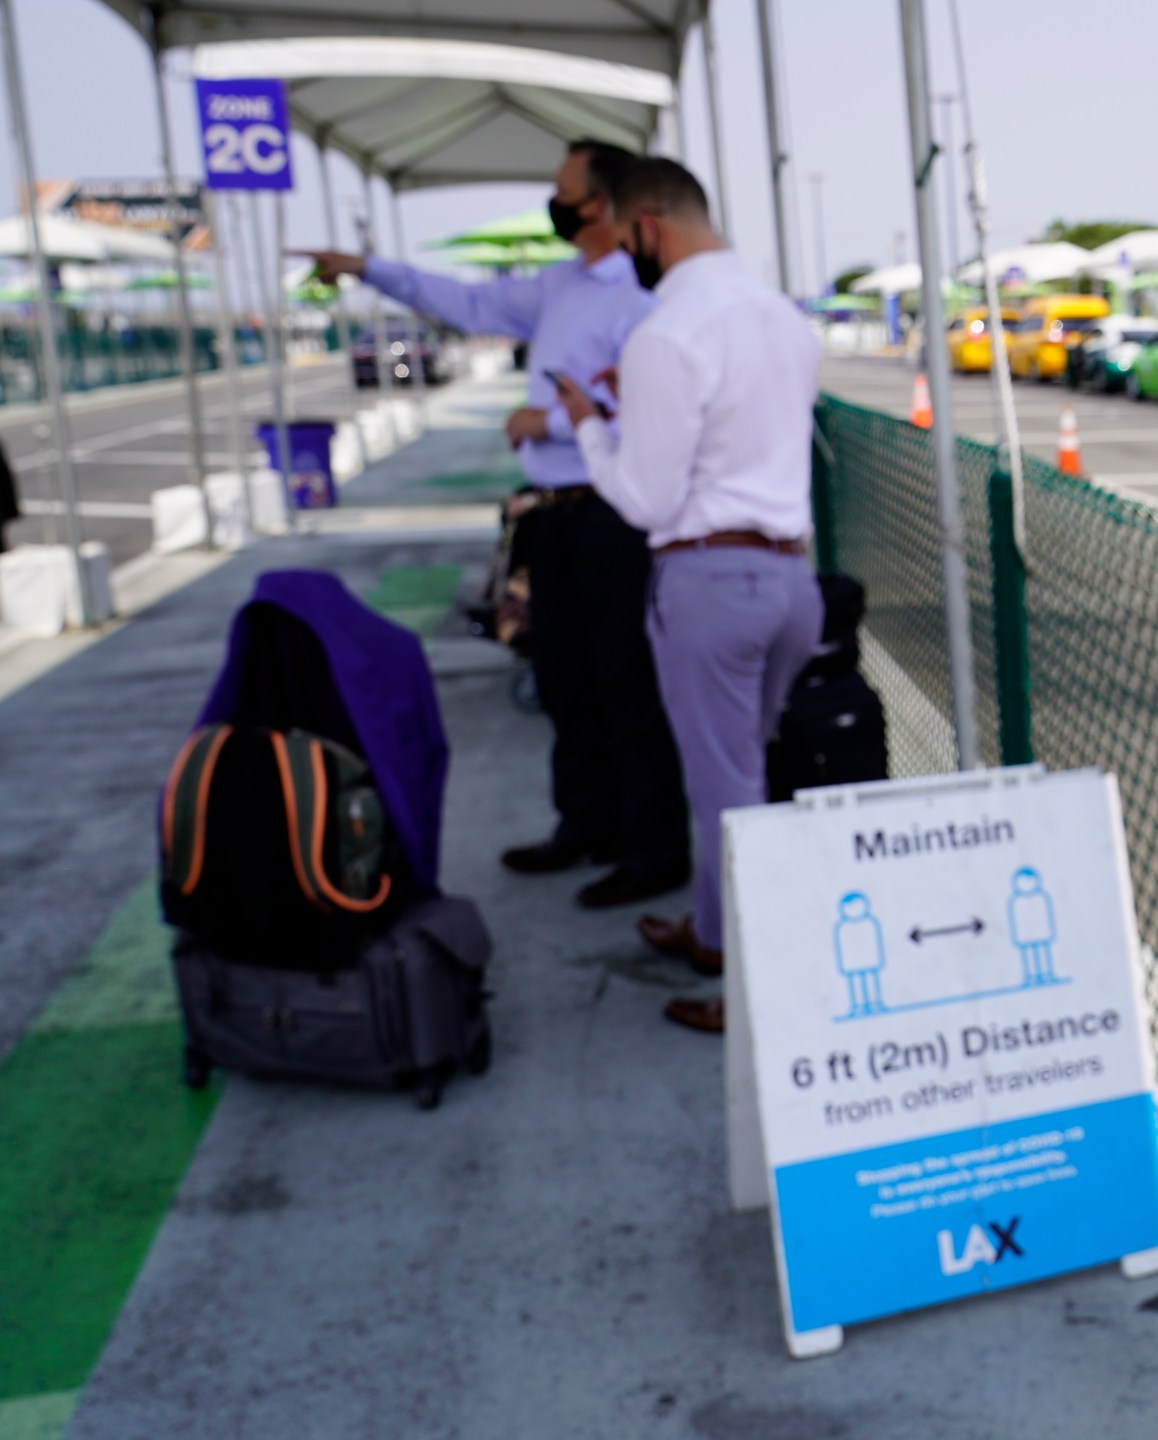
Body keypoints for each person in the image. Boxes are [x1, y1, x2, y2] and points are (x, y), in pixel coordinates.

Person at [302, 140, 691, 912]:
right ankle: (586, 824)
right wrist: (365, 267)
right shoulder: (560, 285)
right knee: (565, 680)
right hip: (553, 517)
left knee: (626, 686)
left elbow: (650, 402)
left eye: (564, 191)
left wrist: (543, 421)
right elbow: (467, 303)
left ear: (602, 206)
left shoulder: (641, 297)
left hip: (612, 512)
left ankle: (653, 850)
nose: (556, 202)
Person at [555, 157, 824, 1035]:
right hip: (792, 580)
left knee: (727, 797)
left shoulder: (666, 333)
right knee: (741, 773)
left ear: (645, 228)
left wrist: (592, 427)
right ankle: (713, 934)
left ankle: (756, 1001)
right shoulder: (786, 318)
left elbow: (645, 499)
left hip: (712, 583)